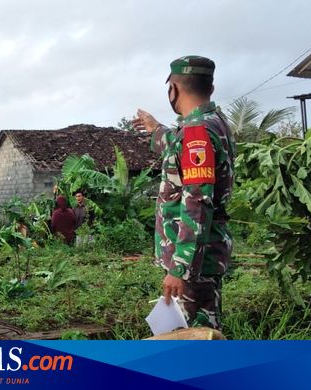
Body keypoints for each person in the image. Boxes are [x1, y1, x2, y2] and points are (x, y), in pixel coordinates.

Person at [132, 55, 236, 330]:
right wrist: (155, 129)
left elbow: (197, 203)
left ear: (173, 89)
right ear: (211, 88)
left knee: (196, 337)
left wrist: (180, 267)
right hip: (203, 257)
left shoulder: (197, 132)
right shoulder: (214, 124)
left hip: (194, 265)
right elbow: (180, 148)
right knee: (200, 334)